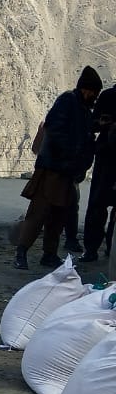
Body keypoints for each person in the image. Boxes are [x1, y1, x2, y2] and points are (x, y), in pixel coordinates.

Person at [17, 66, 102, 269]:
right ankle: (21, 252)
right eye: (93, 92)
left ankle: (49, 254)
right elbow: (56, 131)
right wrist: (72, 155)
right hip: (53, 169)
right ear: (86, 90)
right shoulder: (67, 101)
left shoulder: (82, 109)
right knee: (39, 213)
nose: (94, 97)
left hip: (67, 173)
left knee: (58, 216)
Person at [81, 82, 116, 262]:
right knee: (97, 204)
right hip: (106, 158)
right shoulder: (108, 96)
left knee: (98, 204)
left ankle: (105, 247)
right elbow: (93, 124)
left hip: (106, 157)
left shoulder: (108, 95)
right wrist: (102, 124)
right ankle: (93, 248)